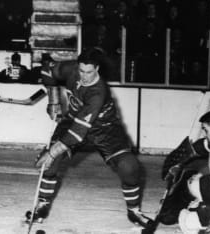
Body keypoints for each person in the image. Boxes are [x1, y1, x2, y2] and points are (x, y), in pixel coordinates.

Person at [31, 48, 151, 228]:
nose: (84, 76)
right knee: (52, 162)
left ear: (97, 69)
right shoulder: (70, 69)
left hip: (105, 129)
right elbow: (47, 70)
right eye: (81, 71)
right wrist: (53, 100)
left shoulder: (98, 92)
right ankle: (42, 204)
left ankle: (134, 211)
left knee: (130, 166)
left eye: (89, 72)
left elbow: (78, 132)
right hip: (72, 120)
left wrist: (52, 151)